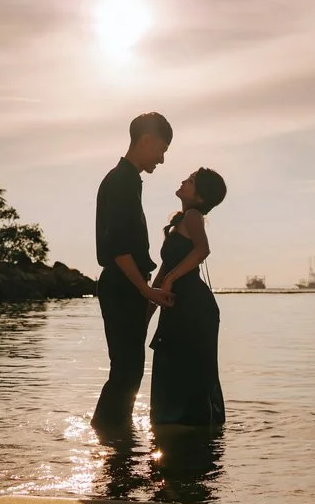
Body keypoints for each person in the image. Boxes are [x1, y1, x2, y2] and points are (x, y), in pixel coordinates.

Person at [90, 113, 174, 436]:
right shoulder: (121, 182)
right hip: (122, 285)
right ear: (146, 140)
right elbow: (119, 248)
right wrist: (146, 290)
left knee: (128, 370)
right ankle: (110, 438)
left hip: (126, 285)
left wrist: (145, 292)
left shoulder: (128, 180)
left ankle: (114, 441)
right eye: (162, 150)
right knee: (126, 371)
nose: (162, 159)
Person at [148, 169, 229, 429]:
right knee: (172, 364)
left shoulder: (194, 216)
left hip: (194, 307)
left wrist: (171, 279)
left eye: (191, 180)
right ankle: (176, 431)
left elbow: (203, 249)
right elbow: (164, 270)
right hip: (178, 305)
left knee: (188, 369)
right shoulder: (180, 222)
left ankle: (193, 432)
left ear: (201, 197)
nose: (184, 180)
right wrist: (149, 305)